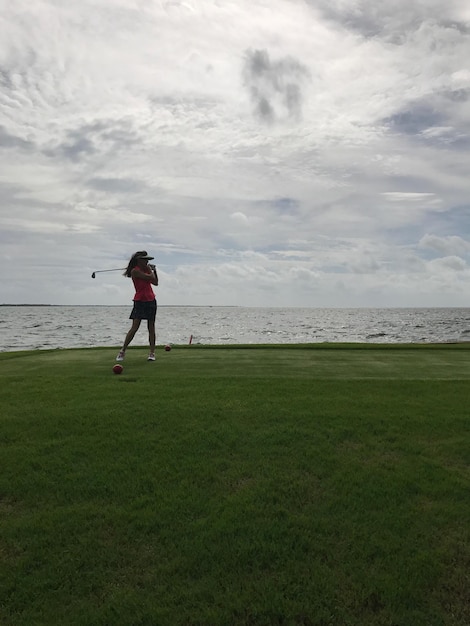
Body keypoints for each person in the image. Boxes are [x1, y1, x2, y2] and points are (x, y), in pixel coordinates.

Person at [116, 251, 159, 362]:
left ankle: (152, 353)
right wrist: (151, 270)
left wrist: (155, 270)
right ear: (139, 260)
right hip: (140, 300)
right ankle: (122, 351)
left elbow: (155, 282)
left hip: (151, 299)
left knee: (151, 327)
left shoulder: (146, 269)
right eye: (145, 259)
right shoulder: (135, 271)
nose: (147, 261)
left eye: (147, 259)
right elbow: (149, 277)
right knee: (135, 327)